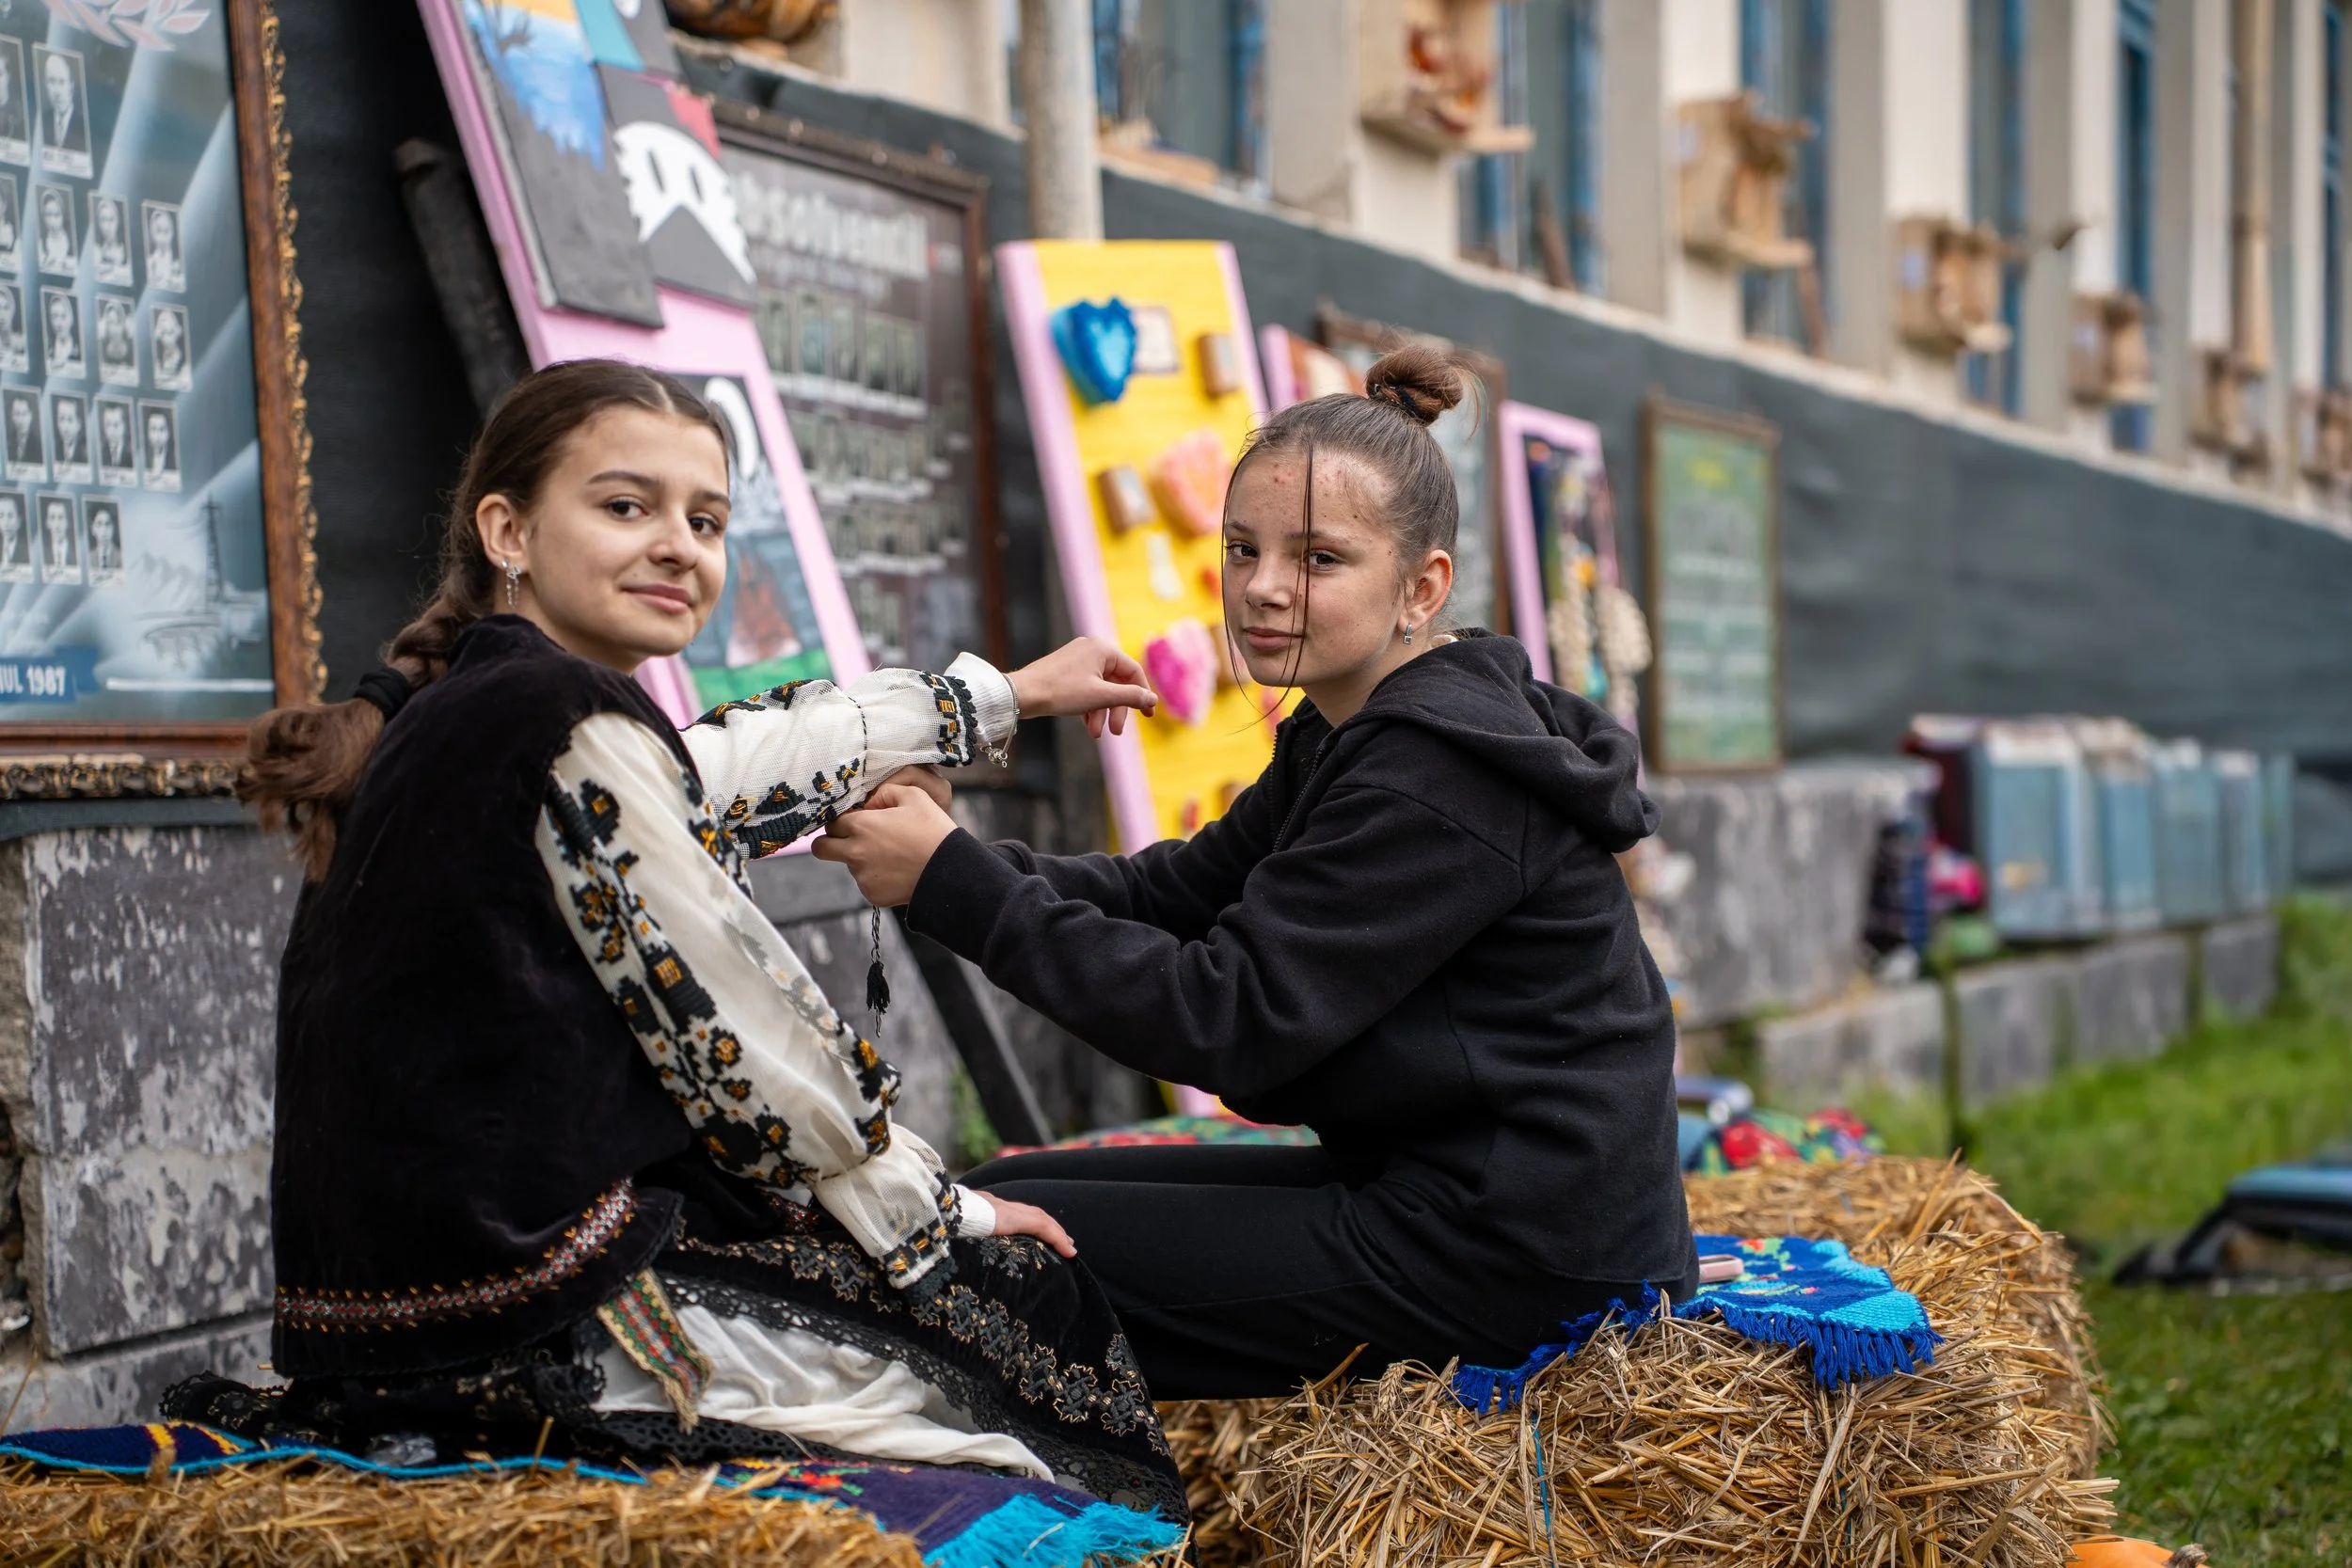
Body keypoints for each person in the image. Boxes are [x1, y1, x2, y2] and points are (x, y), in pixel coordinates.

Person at [197, 359, 1183, 1516]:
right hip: (526, 1304)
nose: (677, 545)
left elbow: (717, 772)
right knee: (1028, 1314)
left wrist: (996, 698)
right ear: (507, 528)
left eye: (705, 520)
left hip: (370, 1311)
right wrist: (938, 1210)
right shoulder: (557, 720)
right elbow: (753, 1057)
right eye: (626, 506)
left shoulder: (466, 707)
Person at [817, 348, 1698, 1401]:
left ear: (1422, 587)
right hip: (1435, 1187)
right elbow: (1177, 890)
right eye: (1243, 547)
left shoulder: (1436, 773)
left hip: (1524, 1257)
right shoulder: (1350, 728)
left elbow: (1223, 1015)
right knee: (992, 1198)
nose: (1263, 587)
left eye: (1319, 559)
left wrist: (948, 881)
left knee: (986, 1258)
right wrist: (954, 855)